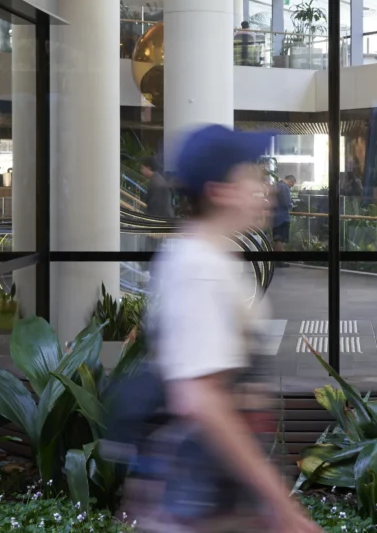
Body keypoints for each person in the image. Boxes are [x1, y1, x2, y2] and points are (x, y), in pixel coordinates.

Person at [131, 124, 319, 533]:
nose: (264, 187)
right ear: (219, 191)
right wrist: (280, 504)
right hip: (200, 507)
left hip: (217, 501)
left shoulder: (208, 258)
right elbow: (201, 401)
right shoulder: (199, 268)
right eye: (251, 175)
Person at [273, 174, 295, 265]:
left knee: (277, 239)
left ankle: (276, 260)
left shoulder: (277, 186)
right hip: (282, 217)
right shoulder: (284, 188)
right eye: (292, 185)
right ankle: (279, 261)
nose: (291, 187)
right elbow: (286, 203)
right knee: (281, 240)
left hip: (275, 217)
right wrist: (292, 206)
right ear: (291, 181)